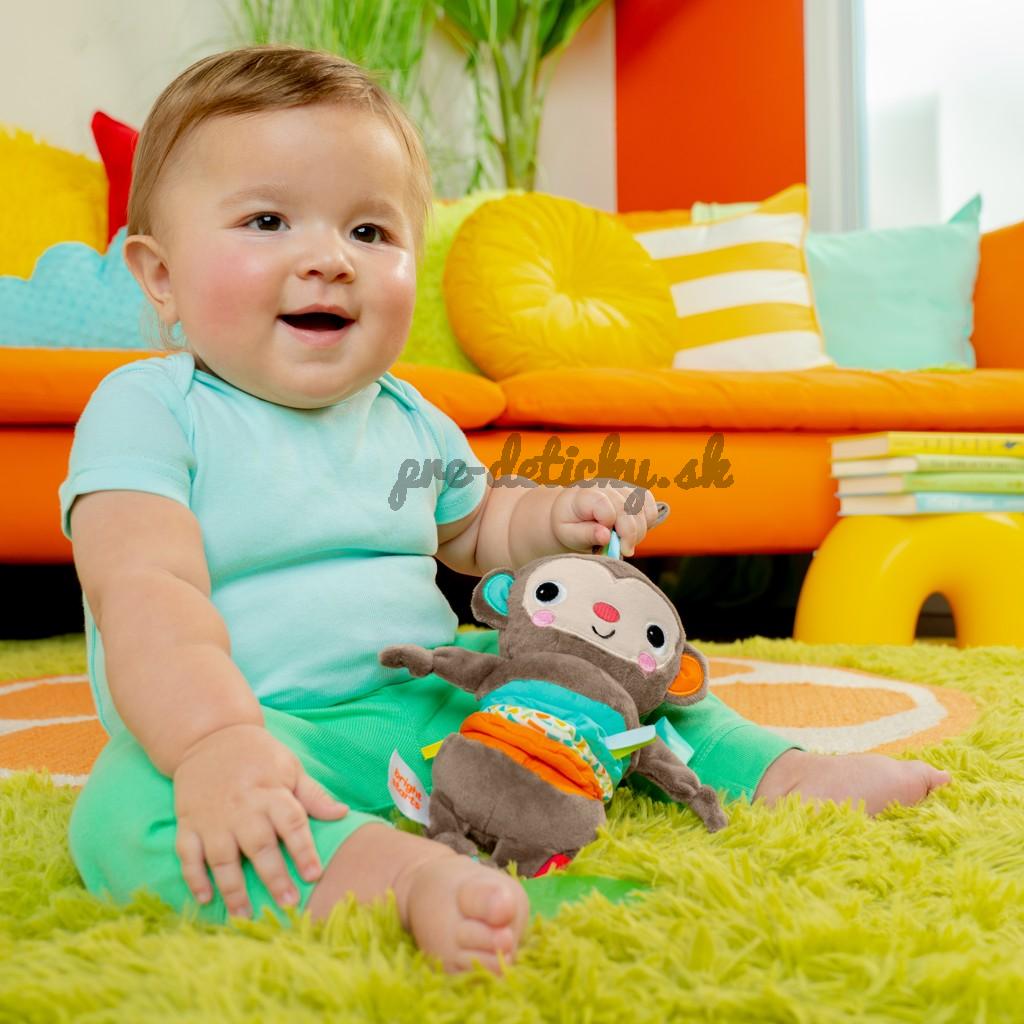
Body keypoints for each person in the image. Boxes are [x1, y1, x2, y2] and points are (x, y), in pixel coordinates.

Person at [60, 45, 951, 976]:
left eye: (369, 231)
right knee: (127, 806)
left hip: (437, 706)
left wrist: (553, 521)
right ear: (159, 276)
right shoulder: (151, 410)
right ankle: (394, 875)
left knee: (590, 669)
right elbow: (145, 589)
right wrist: (216, 744)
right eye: (268, 220)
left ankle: (779, 772)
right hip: (270, 732)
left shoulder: (407, 415)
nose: (329, 260)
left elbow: (475, 525)